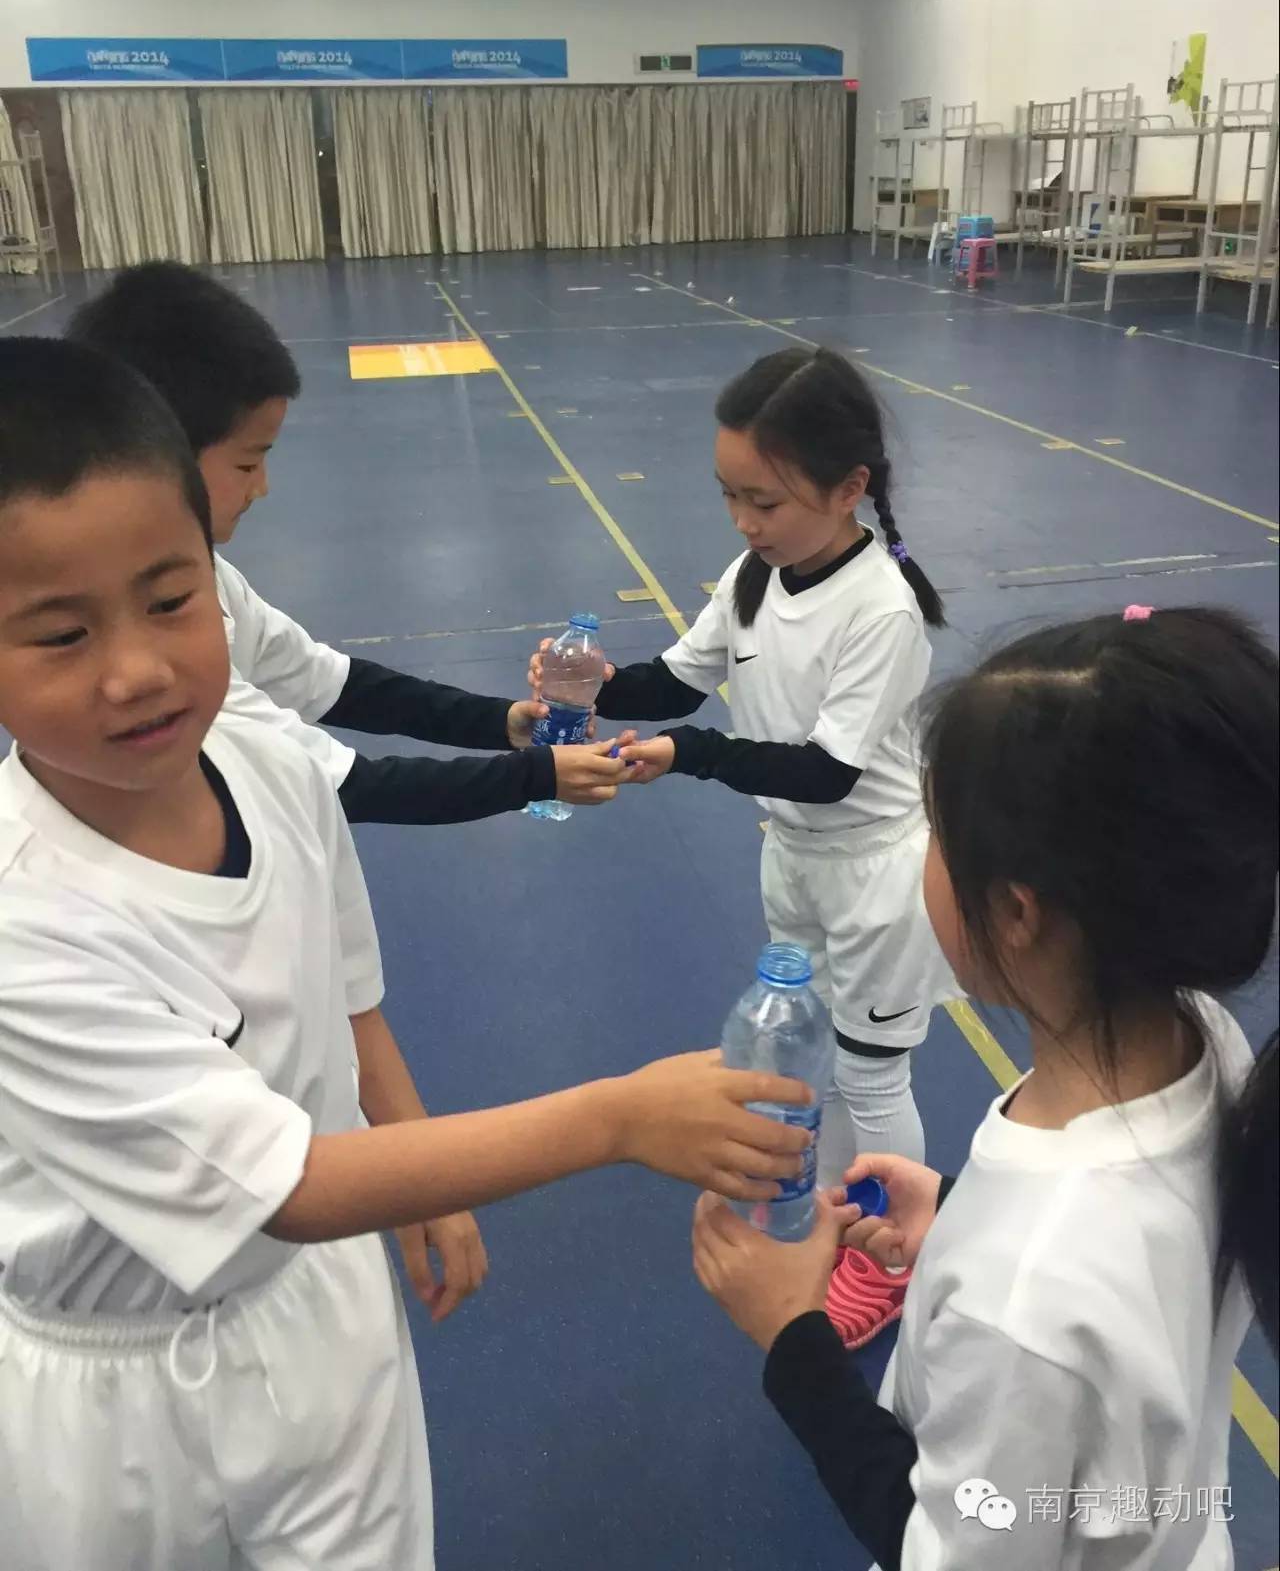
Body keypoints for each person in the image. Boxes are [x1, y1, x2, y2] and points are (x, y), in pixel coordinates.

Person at [0, 337, 815, 1571]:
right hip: (125, 1407)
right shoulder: (27, 923)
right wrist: (611, 1118)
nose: (138, 668)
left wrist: (415, 1153)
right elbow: (279, 1185)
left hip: (319, 1316)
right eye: (59, 635)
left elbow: (339, 979)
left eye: (173, 601)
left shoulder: (267, 762)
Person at [691, 605, 1279, 1571]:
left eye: (934, 833)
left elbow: (952, 1550)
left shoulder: (1025, 1290)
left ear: (1013, 909)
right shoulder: (1206, 1045)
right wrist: (963, 1221)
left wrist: (794, 1340)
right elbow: (1123, 1277)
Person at [531, 345, 954, 1347]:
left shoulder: (880, 612)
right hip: (794, 855)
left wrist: (690, 755)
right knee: (813, 1056)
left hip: (878, 876)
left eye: (763, 501)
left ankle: (886, 1258)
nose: (743, 521)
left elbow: (826, 770)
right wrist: (587, 682)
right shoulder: (754, 575)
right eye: (729, 497)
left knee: (873, 1073)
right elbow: (677, 681)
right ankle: (827, 1212)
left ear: (849, 486)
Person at [67, 261, 627, 827]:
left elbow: (329, 682)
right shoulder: (148, 657)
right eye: (247, 462)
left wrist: (501, 722)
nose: (261, 486)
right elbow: (340, 785)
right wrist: (538, 775)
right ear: (154, 455)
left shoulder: (204, 577)